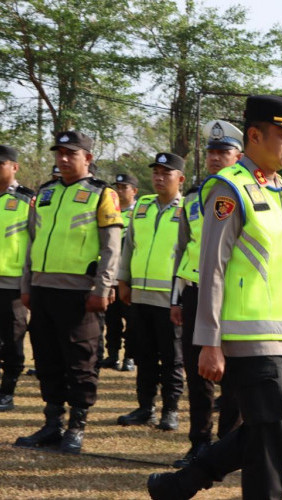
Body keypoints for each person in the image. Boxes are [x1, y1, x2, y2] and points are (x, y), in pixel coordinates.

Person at [147, 95, 282, 500]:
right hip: (247, 337)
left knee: (277, 427)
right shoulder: (229, 188)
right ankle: (187, 482)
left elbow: (266, 261)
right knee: (269, 433)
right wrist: (210, 342)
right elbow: (212, 267)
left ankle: (182, 483)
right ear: (254, 135)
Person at [15, 131, 123, 453]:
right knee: (47, 359)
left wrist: (102, 288)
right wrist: (26, 284)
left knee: (80, 360)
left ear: (87, 158)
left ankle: (77, 426)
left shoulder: (102, 194)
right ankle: (52, 424)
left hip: (80, 293)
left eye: (70, 153)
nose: (62, 159)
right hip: (43, 289)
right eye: (59, 153)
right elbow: (31, 241)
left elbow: (111, 248)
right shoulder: (44, 192)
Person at [170, 120, 243, 468]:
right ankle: (199, 441)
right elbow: (182, 248)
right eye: (212, 152)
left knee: (233, 374)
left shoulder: (245, 195)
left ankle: (229, 444)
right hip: (196, 292)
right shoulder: (194, 199)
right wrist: (176, 297)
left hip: (234, 295)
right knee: (197, 372)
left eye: (223, 152)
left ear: (238, 155)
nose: (215, 158)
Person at [117, 153, 185, 431]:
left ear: (180, 178)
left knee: (171, 358)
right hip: (139, 296)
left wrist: (180, 296)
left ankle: (171, 410)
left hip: (169, 298)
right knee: (143, 355)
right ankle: (146, 408)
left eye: (165, 173)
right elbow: (129, 246)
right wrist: (123, 280)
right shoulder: (142, 206)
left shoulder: (188, 210)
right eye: (156, 172)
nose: (158, 177)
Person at [0, 145, 33, 412]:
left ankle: (7, 391)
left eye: (0, 164)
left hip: (12, 283)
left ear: (14, 167)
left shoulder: (27, 201)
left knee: (12, 338)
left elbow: (36, 241)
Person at [102, 173, 139, 372]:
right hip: (111, 277)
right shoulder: (110, 211)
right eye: (117, 186)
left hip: (130, 278)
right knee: (112, 320)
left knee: (132, 322)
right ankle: (113, 355)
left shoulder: (140, 212)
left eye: (124, 187)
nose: (119, 190)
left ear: (134, 191)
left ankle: (130, 357)